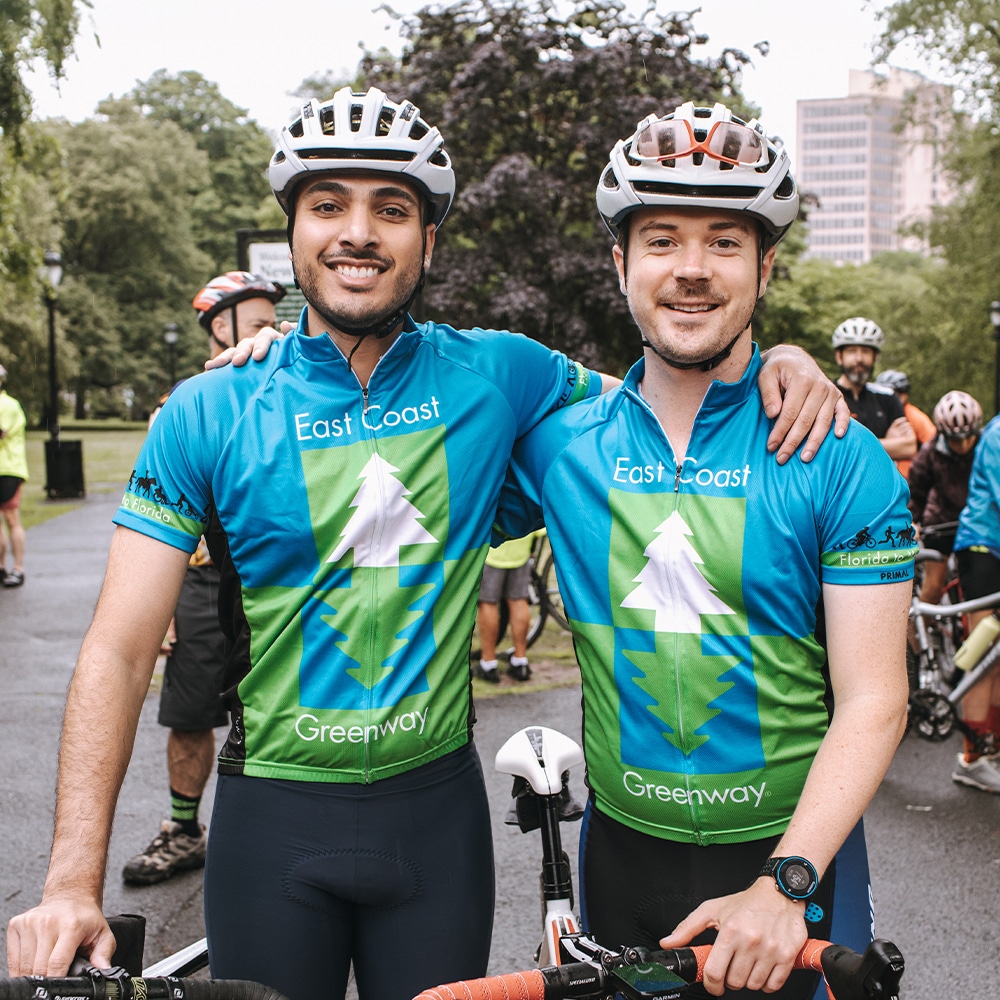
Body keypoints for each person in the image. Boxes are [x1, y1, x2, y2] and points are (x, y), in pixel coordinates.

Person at [7, 87, 847, 1000]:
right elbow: (120, 652)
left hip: (435, 825)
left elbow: (670, 398)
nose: (358, 233)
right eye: (329, 206)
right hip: (268, 821)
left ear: (429, 241)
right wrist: (68, 885)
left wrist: (780, 363)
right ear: (291, 233)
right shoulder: (209, 408)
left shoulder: (503, 373)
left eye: (392, 210)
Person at [496, 101, 913, 999]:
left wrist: (786, 884)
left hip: (794, 862)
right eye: (662, 240)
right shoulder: (558, 445)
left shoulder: (838, 454)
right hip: (618, 859)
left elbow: (877, 697)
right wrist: (282, 347)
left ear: (765, 267)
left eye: (725, 242)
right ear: (621, 262)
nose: (691, 270)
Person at [121, 272, 286, 886]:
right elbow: (153, 517)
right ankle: (183, 830)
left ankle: (275, 831)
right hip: (196, 581)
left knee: (274, 706)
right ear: (221, 326)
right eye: (259, 317)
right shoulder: (182, 402)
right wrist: (160, 608)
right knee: (189, 715)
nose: (272, 325)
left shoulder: (286, 381)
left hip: (267, 577)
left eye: (276, 315)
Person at [950, 408, 1000, 793]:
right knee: (985, 650)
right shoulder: (998, 434)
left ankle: (990, 746)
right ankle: (972, 757)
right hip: (983, 546)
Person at [907, 390, 982, 606]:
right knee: (933, 589)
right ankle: (917, 639)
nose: (964, 445)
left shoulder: (985, 447)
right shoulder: (929, 454)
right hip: (941, 523)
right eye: (956, 440)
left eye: (970, 437)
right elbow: (915, 492)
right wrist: (912, 521)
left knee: (979, 590)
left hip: (975, 524)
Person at [832, 318, 917, 465]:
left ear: (875, 357)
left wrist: (849, 445)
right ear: (839, 357)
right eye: (852, 351)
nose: (859, 359)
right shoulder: (828, 395)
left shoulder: (887, 397)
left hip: (882, 483)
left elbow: (909, 447)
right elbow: (829, 450)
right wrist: (889, 443)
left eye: (865, 351)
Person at [474, 531, 540, 682]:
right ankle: (520, 661)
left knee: (488, 603)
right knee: (518, 600)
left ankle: (488, 664)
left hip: (492, 548)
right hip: (522, 546)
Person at [874, 369, 936, 479]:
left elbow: (934, 444)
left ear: (904, 395)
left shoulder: (914, 417)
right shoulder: (877, 415)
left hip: (909, 477)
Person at [0, 364, 28, 588]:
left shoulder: (8, 404)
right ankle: (1, 567)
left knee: (11, 518)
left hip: (8, 468)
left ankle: (18, 568)